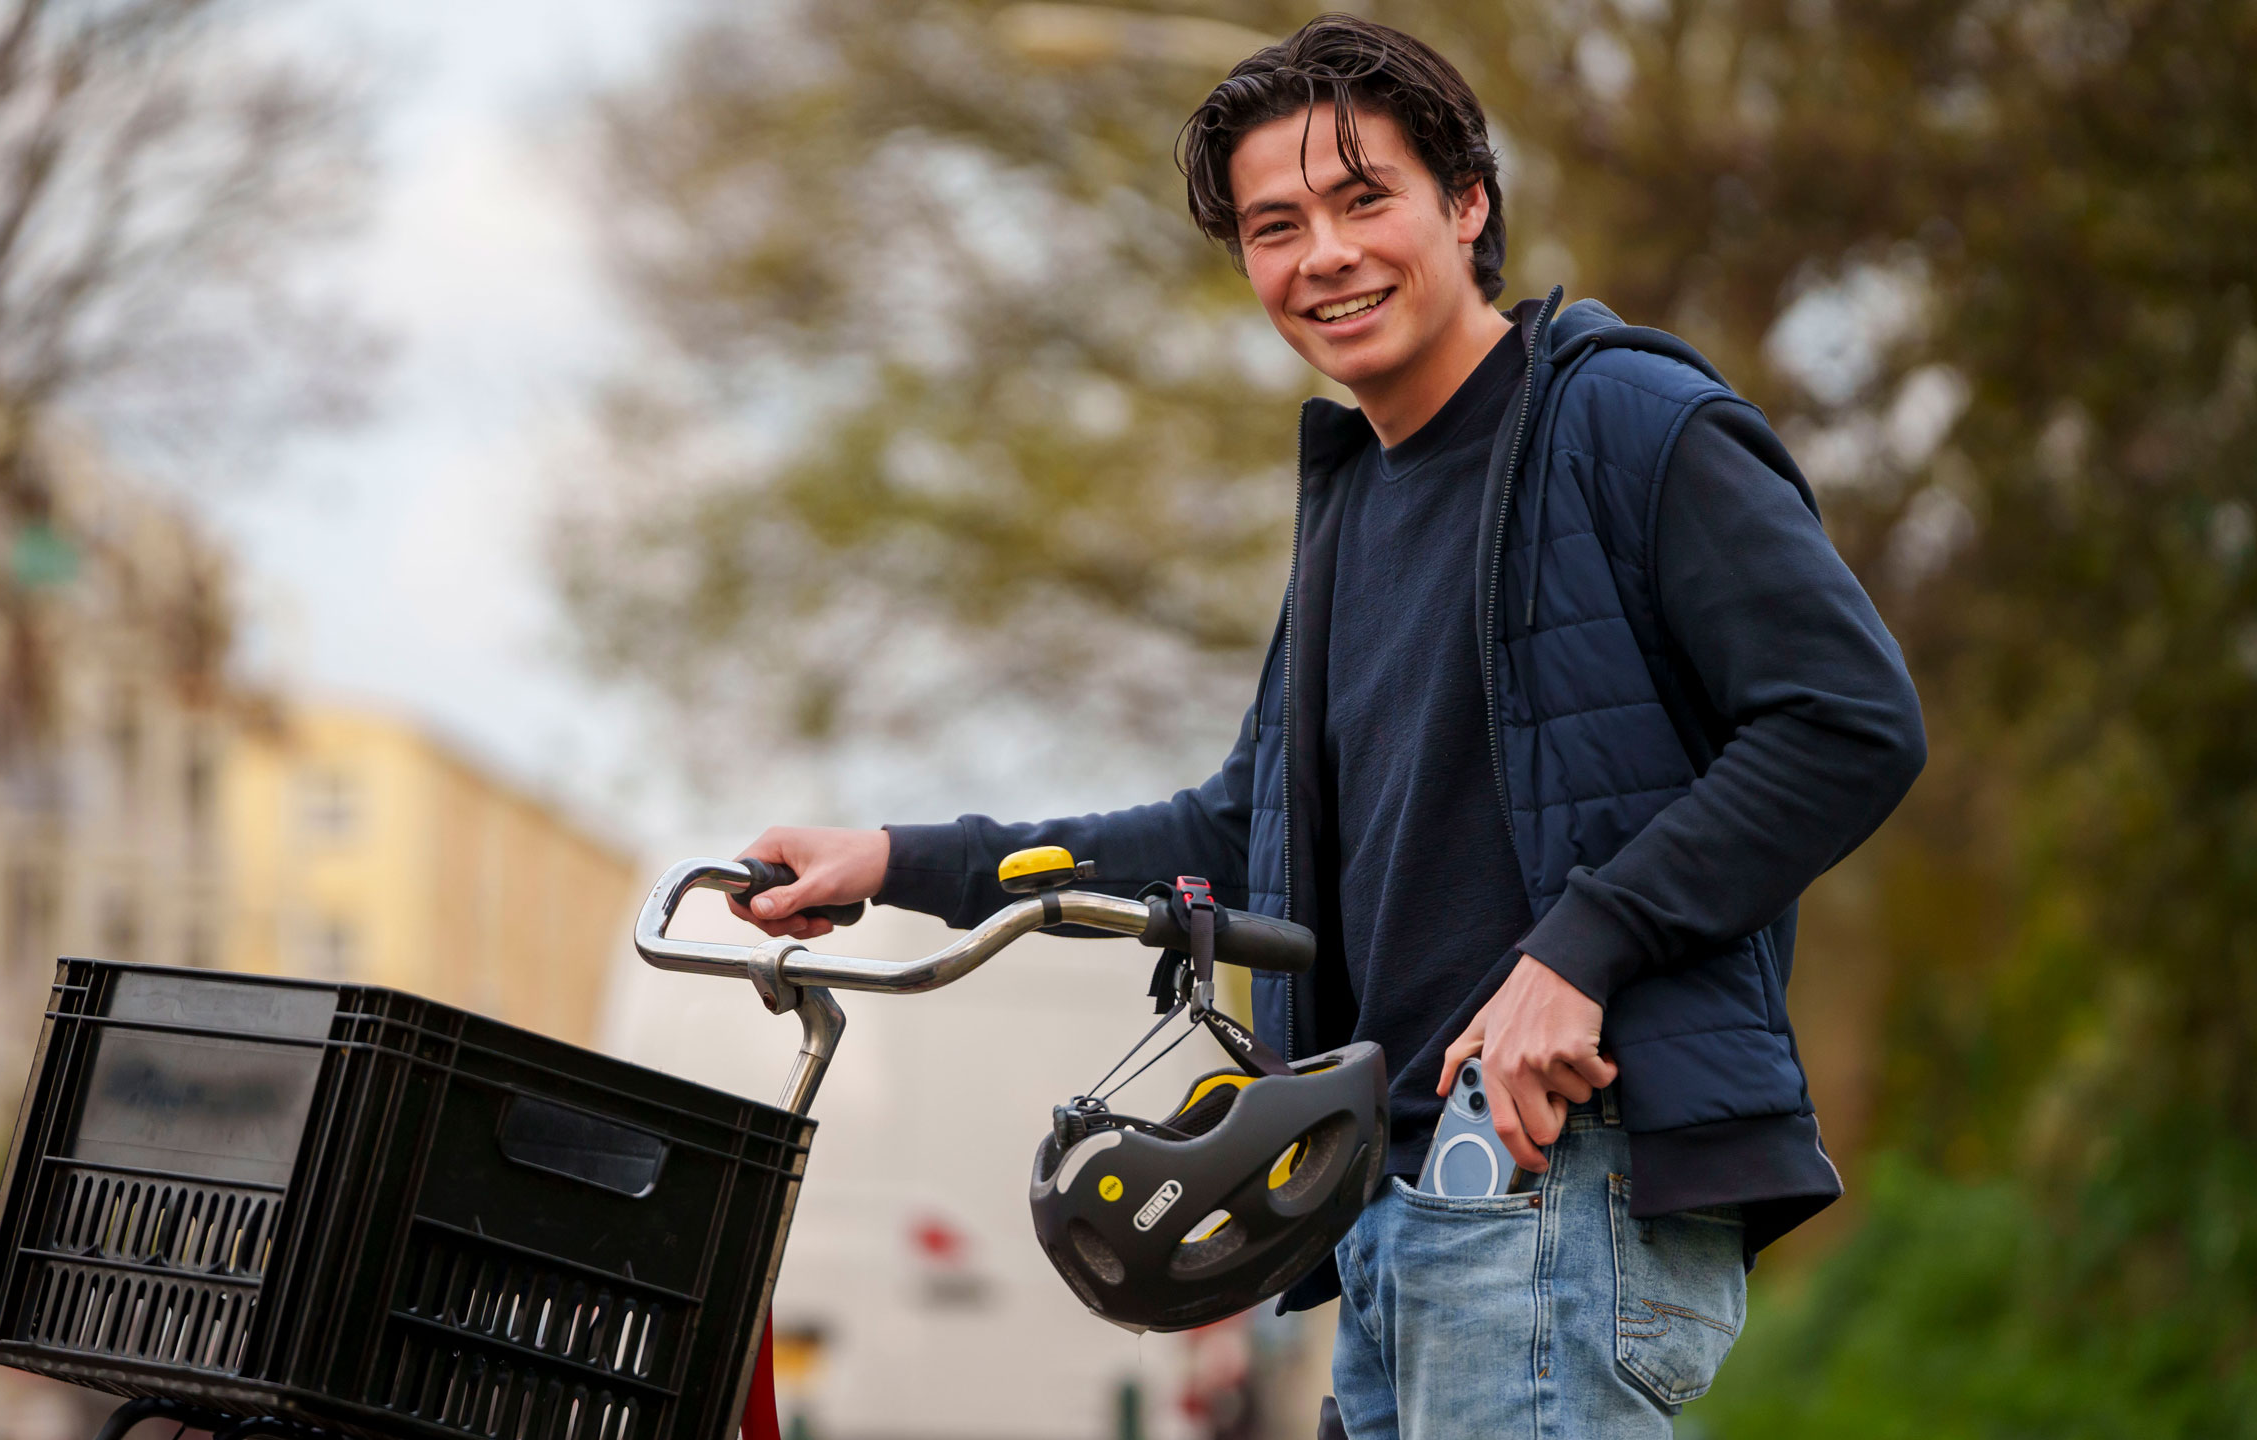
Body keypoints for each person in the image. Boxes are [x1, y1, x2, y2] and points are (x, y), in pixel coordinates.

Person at [726, 14, 1926, 1438]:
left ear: (1467, 202)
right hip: (1378, 1209)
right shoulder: (1353, 511)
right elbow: (1230, 841)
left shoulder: (1628, 423)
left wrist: (1583, 948)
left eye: (1367, 199)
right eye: (1276, 223)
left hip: (1556, 1182)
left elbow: (1848, 721)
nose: (1326, 255)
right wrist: (895, 859)